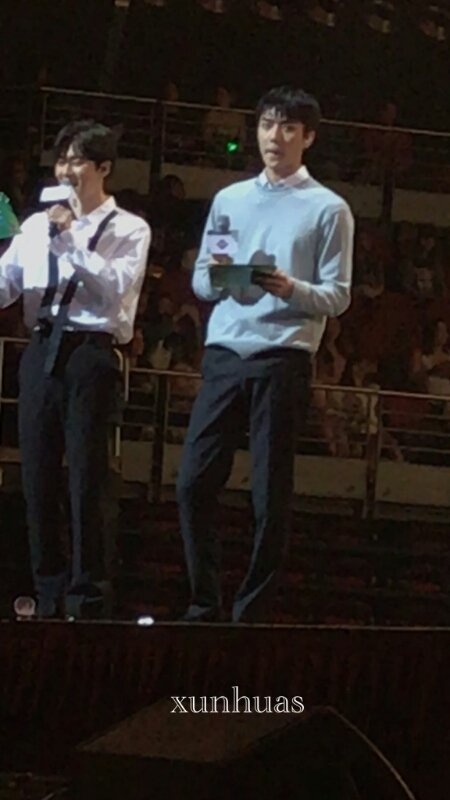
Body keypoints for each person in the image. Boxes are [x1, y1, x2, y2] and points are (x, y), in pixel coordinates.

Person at [176, 86, 354, 623]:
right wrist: (227, 279)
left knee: (269, 492)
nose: (275, 137)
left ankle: (251, 613)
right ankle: (203, 603)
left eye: (288, 128)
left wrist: (288, 287)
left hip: (283, 355)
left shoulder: (329, 208)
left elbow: (338, 296)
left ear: (309, 138)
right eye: (267, 125)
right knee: (192, 482)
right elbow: (203, 281)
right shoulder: (230, 199)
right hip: (225, 352)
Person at [0, 120, 151, 618]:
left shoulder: (129, 228)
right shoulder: (35, 225)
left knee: (88, 477)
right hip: (41, 348)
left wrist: (69, 240)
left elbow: (113, 289)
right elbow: (7, 284)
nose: (65, 170)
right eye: (61, 160)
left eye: (77, 160)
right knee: (37, 476)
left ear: (103, 168)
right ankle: (47, 592)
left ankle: (88, 594)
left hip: (91, 353)